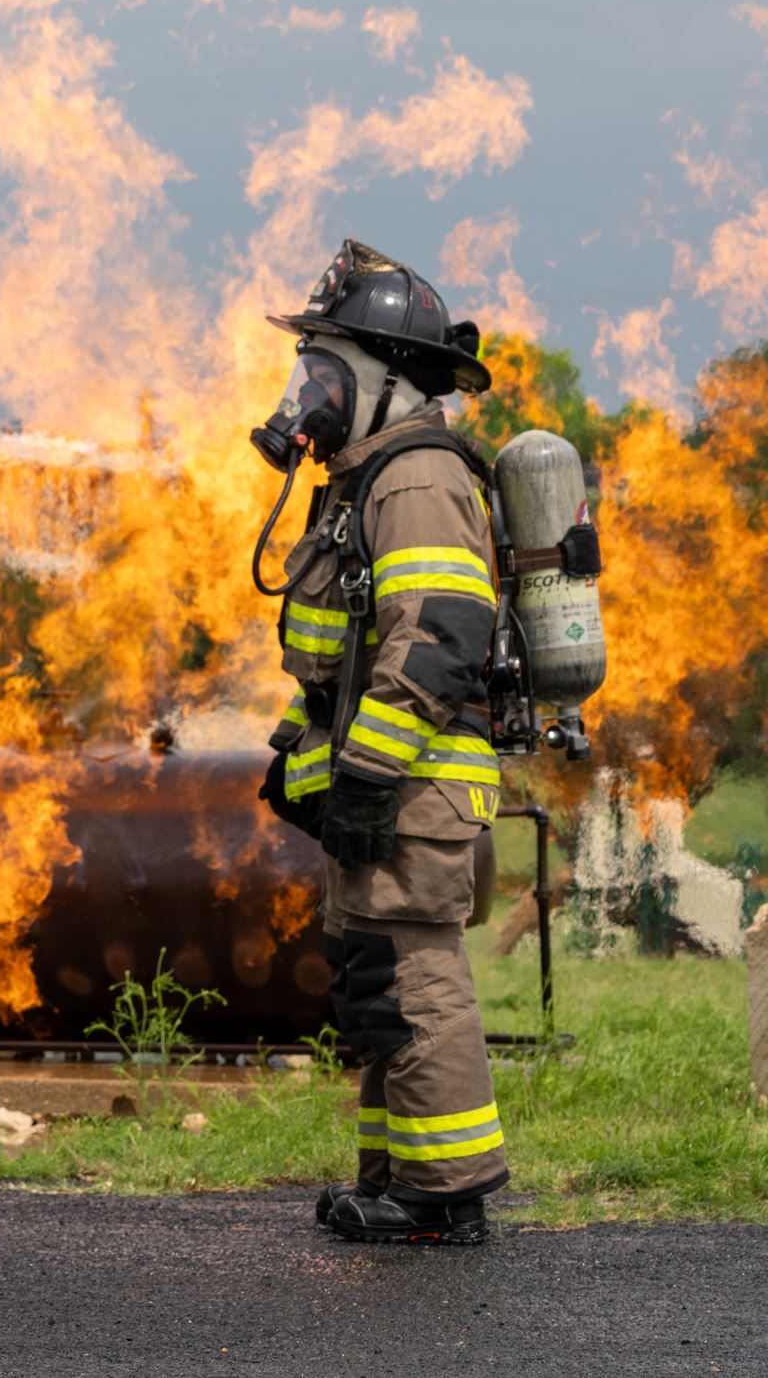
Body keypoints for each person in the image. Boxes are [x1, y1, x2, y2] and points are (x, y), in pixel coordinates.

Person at [251, 239, 508, 1246]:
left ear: (389, 381)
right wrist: (297, 750)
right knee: (375, 988)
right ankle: (396, 1177)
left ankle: (445, 1194)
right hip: (379, 791)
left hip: (410, 790)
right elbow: (342, 658)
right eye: (305, 367)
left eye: (326, 370)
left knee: (412, 977)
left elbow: (439, 639)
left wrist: (361, 774)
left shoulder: (415, 481)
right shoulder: (363, 484)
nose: (305, 391)